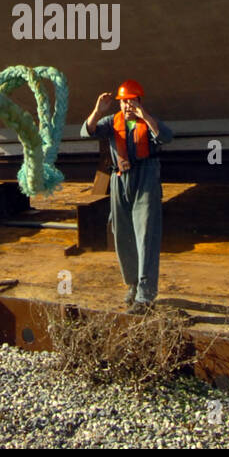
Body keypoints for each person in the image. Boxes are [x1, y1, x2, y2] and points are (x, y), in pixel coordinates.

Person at [81, 80, 174, 314]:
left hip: (146, 178)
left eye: (132, 101)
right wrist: (98, 110)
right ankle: (132, 284)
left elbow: (165, 137)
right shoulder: (111, 122)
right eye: (124, 102)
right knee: (121, 231)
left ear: (140, 101)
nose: (127, 106)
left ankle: (146, 294)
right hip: (120, 178)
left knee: (146, 234)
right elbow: (88, 131)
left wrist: (145, 116)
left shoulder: (148, 121)